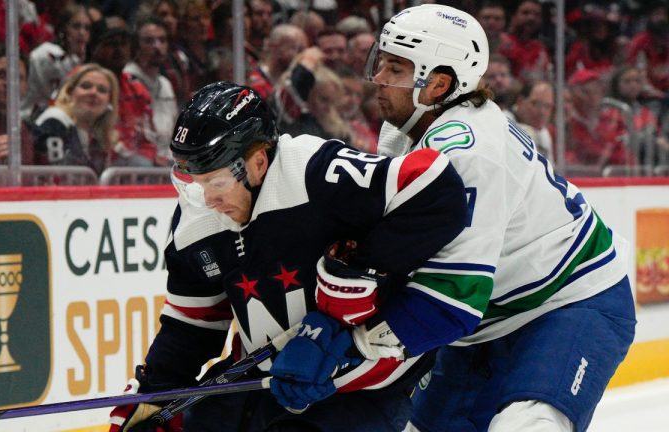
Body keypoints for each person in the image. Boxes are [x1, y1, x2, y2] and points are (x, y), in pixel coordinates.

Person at [108, 82, 468, 431]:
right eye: (192, 184)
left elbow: (436, 186)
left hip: (366, 378)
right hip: (266, 378)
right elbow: (192, 324)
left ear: (258, 162)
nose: (207, 201)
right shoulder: (196, 218)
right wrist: (155, 393)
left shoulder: (314, 171)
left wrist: (359, 270)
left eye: (215, 183)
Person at [367, 4, 635, 431]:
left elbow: (457, 289)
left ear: (438, 84)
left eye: (395, 69)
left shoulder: (465, 152)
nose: (379, 79)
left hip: (571, 300)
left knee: (528, 425)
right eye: (381, 63)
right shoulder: (407, 131)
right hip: (485, 323)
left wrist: (360, 339)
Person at [88, 19, 162, 166]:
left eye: (123, 44)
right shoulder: (83, 86)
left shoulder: (137, 88)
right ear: (95, 48)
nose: (119, 50)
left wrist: (149, 156)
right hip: (94, 162)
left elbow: (148, 138)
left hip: (132, 166)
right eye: (111, 44)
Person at [33, 63, 119, 174]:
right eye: (86, 86)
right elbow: (58, 176)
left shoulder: (98, 135)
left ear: (110, 101)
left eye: (102, 90)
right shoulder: (54, 121)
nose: (93, 93)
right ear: (70, 92)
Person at [22, 4, 92, 121]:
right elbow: (51, 95)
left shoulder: (83, 61)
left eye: (87, 28)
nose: (81, 33)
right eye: (76, 26)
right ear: (63, 28)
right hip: (31, 117)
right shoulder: (46, 54)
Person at [124, 17, 178, 159]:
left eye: (162, 40)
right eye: (149, 41)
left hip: (168, 159)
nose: (157, 46)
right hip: (141, 160)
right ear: (136, 46)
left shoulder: (165, 84)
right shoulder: (127, 80)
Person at [565, 68, 635, 168]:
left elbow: (627, 158)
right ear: (573, 94)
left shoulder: (612, 120)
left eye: (597, 91)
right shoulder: (567, 123)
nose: (593, 98)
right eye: (586, 92)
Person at [512, 79, 555, 162]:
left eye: (547, 106)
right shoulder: (502, 122)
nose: (542, 112)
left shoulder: (544, 133)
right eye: (536, 104)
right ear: (520, 101)